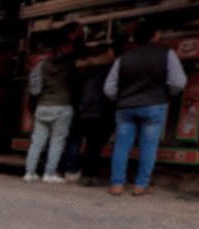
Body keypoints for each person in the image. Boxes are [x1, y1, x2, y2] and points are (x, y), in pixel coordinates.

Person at [105, 22, 187, 196]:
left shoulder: (123, 57)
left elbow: (109, 88)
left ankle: (117, 185)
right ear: (156, 35)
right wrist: (167, 94)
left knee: (121, 145)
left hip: (125, 107)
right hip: (154, 105)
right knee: (148, 146)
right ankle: (140, 186)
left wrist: (120, 98)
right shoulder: (167, 53)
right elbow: (178, 82)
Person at [23, 29, 77, 183]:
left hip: (43, 106)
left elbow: (34, 89)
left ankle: (29, 172)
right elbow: (75, 85)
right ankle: (49, 173)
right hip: (62, 106)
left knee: (37, 141)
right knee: (57, 142)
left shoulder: (41, 66)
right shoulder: (70, 65)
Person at [75, 39, 124, 186]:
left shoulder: (85, 69)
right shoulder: (109, 68)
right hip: (102, 110)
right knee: (95, 145)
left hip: (86, 110)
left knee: (90, 143)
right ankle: (89, 175)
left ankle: (86, 173)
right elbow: (111, 90)